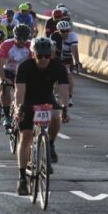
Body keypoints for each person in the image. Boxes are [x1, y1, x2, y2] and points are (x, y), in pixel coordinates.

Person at [14, 37, 70, 195]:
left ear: (51, 55)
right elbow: (19, 91)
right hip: (27, 101)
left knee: (56, 115)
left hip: (46, 99)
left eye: (47, 56)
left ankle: (50, 144)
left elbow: (63, 89)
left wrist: (65, 107)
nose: (44, 59)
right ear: (33, 55)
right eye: (40, 56)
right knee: (25, 136)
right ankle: (22, 178)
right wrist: (18, 109)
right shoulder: (24, 67)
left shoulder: (57, 66)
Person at [0, 24, 32, 131]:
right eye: (19, 39)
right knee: (5, 88)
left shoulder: (31, 46)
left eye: (24, 39)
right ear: (15, 37)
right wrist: (2, 79)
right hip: (9, 71)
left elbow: (36, 64)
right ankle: (7, 116)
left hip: (24, 73)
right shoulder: (6, 45)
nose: (22, 42)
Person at [50, 20, 81, 107]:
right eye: (63, 31)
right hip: (57, 57)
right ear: (58, 30)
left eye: (67, 31)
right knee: (54, 76)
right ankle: (54, 93)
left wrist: (77, 62)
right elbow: (53, 51)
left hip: (67, 59)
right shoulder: (54, 36)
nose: (65, 33)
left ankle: (70, 97)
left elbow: (74, 50)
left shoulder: (72, 35)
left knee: (69, 77)